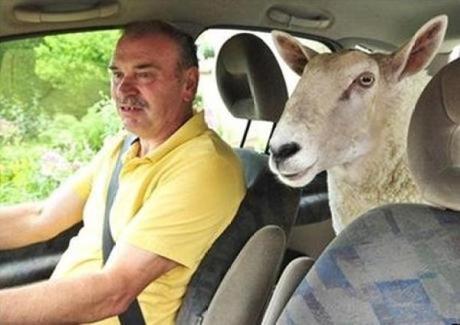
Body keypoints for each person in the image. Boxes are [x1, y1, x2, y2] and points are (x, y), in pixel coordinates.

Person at [0, 21, 246, 324]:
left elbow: (113, 292)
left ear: (188, 84)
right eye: (117, 74)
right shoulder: (124, 146)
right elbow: (39, 218)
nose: (123, 89)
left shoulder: (205, 167)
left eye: (144, 74)